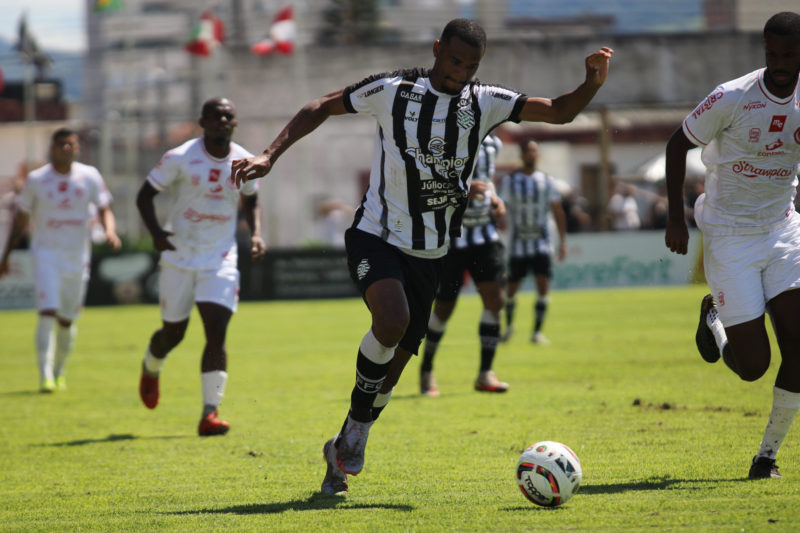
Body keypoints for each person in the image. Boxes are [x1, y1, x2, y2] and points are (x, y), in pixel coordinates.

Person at [231, 18, 612, 495]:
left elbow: (558, 111)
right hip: (376, 234)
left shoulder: (484, 101)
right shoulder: (394, 90)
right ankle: (354, 435)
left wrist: (591, 83)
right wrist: (269, 155)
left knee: (393, 369)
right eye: (454, 61)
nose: (460, 73)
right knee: (391, 320)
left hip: (431, 251)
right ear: (436, 50)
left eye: (470, 66)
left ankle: (347, 440)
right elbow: (321, 106)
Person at [665, 11, 800, 480]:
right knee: (753, 367)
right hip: (729, 235)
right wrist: (675, 219)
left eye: (789, 54)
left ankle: (766, 458)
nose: (779, 63)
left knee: (799, 350)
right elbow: (675, 144)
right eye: (772, 54)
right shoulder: (733, 96)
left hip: (783, 230)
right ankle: (714, 319)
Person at [136, 97, 265, 437]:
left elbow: (251, 199)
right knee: (173, 334)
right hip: (179, 255)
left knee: (216, 330)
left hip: (219, 258)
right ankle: (151, 366)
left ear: (234, 123)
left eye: (229, 116)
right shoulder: (180, 157)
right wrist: (156, 234)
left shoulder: (243, 160)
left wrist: (256, 235)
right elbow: (144, 196)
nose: (224, 120)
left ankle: (210, 412)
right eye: (217, 115)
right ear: (203, 122)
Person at [0, 128, 121, 392]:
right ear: (52, 148)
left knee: (67, 320)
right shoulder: (36, 180)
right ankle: (45, 375)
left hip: (77, 258)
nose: (67, 148)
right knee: (47, 312)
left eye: (72, 144)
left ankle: (59, 370)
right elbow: (20, 220)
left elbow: (104, 208)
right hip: (45, 255)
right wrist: (6, 256)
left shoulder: (89, 176)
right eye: (62, 144)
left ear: (77, 149)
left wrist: (109, 230)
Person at [419, 133, 509, 397]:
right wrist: (463, 191)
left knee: (495, 300)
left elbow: (487, 179)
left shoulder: (495, 143)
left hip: (486, 235)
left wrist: (496, 200)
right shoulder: (444, 138)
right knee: (444, 307)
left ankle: (485, 373)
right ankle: (426, 368)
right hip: (451, 238)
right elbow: (428, 182)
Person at [498, 140, 567, 345]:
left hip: (542, 243)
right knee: (511, 289)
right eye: (528, 151)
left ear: (537, 155)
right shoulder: (511, 181)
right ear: (521, 154)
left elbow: (557, 210)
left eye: (534, 151)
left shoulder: (547, 180)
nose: (531, 154)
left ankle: (537, 332)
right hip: (518, 244)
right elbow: (501, 208)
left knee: (543, 285)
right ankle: (509, 326)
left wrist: (562, 241)